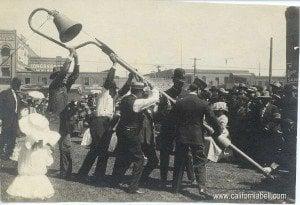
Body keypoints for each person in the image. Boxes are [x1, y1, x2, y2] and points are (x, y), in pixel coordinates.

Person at [78, 54, 133, 181]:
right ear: (111, 88)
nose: (116, 91)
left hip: (106, 123)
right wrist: (114, 65)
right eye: (115, 89)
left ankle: (86, 173)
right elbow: (109, 80)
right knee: (101, 150)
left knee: (96, 150)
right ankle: (97, 175)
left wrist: (130, 77)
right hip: (99, 122)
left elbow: (124, 90)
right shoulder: (104, 93)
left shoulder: (114, 96)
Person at [172, 81, 221, 197]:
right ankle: (202, 188)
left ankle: (175, 188)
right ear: (198, 91)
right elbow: (213, 119)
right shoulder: (203, 103)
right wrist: (217, 132)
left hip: (181, 136)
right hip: (196, 136)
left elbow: (172, 119)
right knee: (199, 162)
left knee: (179, 161)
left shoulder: (179, 103)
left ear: (189, 90)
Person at [112, 82, 159, 194]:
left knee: (124, 156)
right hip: (131, 132)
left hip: (121, 130)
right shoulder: (136, 102)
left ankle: (114, 181)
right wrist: (154, 88)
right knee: (139, 159)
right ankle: (133, 187)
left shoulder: (125, 98)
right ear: (139, 91)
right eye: (142, 92)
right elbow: (154, 99)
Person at [6, 113, 60, 199]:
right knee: (31, 166)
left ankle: (32, 188)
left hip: (35, 151)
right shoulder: (34, 137)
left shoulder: (38, 137)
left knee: (32, 166)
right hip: (34, 151)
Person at [47, 50, 79, 179]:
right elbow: (64, 73)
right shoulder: (54, 85)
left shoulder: (65, 86)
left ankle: (65, 173)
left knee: (66, 147)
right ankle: (39, 169)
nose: (65, 77)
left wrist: (77, 59)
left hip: (63, 121)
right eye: (61, 75)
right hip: (53, 121)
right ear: (56, 76)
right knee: (49, 146)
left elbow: (75, 75)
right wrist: (70, 56)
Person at [0, 77, 22, 161]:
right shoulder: (4, 93)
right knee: (4, 136)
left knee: (13, 137)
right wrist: (1, 117)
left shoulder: (17, 96)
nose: (18, 86)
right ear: (13, 84)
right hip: (7, 119)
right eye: (17, 84)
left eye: (19, 84)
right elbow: (1, 106)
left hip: (15, 119)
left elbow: (18, 107)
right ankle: (1, 153)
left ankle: (8, 154)